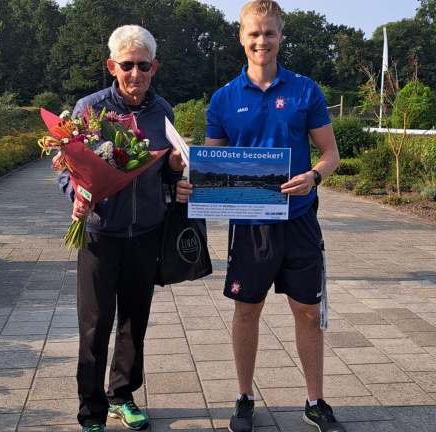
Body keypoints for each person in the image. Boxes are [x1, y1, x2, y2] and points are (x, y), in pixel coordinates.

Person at [176, 1, 344, 431]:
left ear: (281, 36)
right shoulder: (224, 98)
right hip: (249, 225)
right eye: (254, 34)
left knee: (308, 312)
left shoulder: (306, 90)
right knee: (247, 311)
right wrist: (191, 179)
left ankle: (315, 401)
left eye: (269, 33)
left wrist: (314, 176)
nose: (261, 41)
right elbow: (212, 162)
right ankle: (245, 397)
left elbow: (330, 153)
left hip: (300, 221)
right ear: (241, 37)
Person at [58, 25, 185, 432]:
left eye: (143, 65)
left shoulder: (162, 110)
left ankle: (123, 395)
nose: (135, 73)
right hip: (100, 234)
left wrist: (177, 172)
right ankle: (91, 410)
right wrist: (76, 196)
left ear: (154, 67)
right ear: (112, 65)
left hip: (146, 232)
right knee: (94, 325)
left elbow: (165, 172)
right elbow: (67, 167)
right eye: (126, 65)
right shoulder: (89, 109)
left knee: (135, 322)